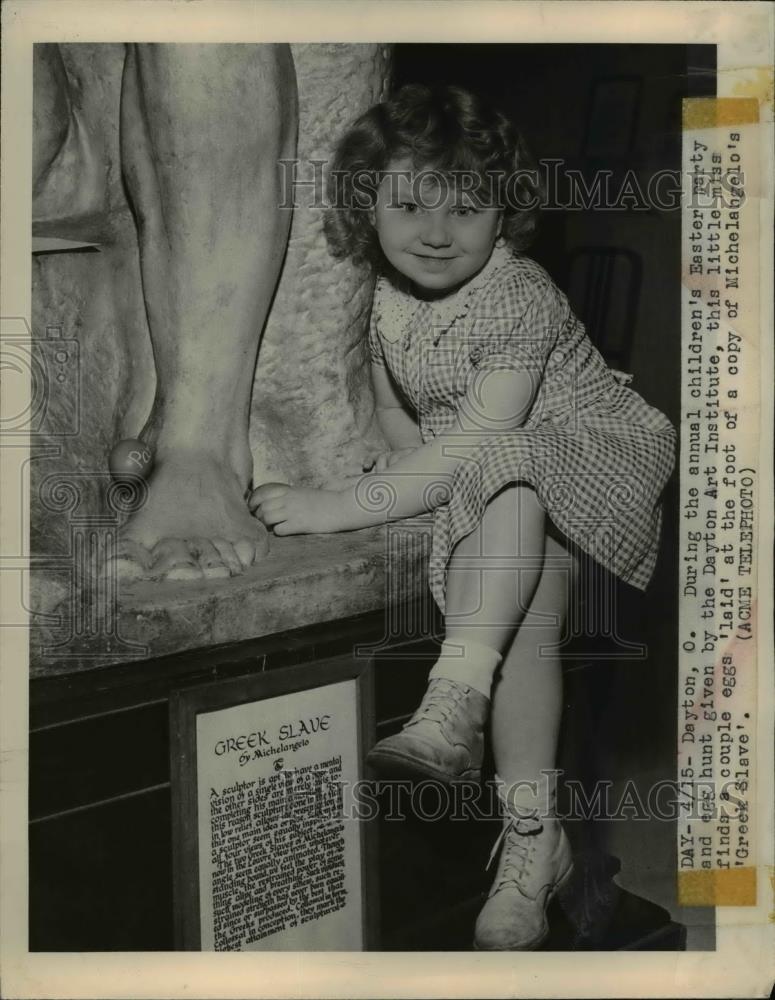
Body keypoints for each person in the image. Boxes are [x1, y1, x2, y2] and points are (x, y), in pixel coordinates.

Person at [249, 83, 676, 950]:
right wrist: (400, 456)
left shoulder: (519, 296)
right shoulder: (378, 297)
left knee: (503, 467)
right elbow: (405, 417)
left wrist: (341, 506)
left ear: (504, 213)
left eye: (467, 207)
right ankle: (532, 844)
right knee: (526, 624)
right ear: (368, 206)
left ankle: (454, 697)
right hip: (508, 475)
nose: (436, 232)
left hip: (592, 449)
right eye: (408, 205)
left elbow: (482, 438)